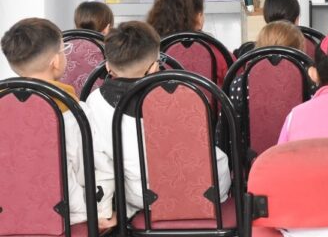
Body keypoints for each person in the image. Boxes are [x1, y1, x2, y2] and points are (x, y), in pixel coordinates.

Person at [86, 21, 231, 221]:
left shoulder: (94, 102)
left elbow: (101, 164)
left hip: (142, 197)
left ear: (108, 66)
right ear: (155, 66)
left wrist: (104, 211)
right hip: (203, 191)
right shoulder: (186, 95)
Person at [1, 18, 114, 231]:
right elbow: (90, 169)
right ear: (55, 61)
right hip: (66, 219)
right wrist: (101, 212)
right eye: (64, 49)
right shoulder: (74, 111)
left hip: (6, 219)